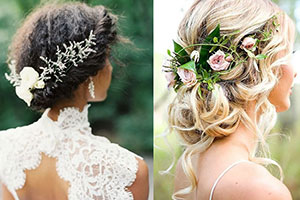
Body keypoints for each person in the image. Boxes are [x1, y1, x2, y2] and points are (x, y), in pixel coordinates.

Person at [0, 2, 149, 200]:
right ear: (88, 74)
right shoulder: (129, 171)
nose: (110, 67)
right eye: (107, 57)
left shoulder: (5, 146)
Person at [163, 0, 296, 199]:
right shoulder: (260, 189)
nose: (294, 72)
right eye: (289, 54)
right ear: (258, 66)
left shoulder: (189, 165)